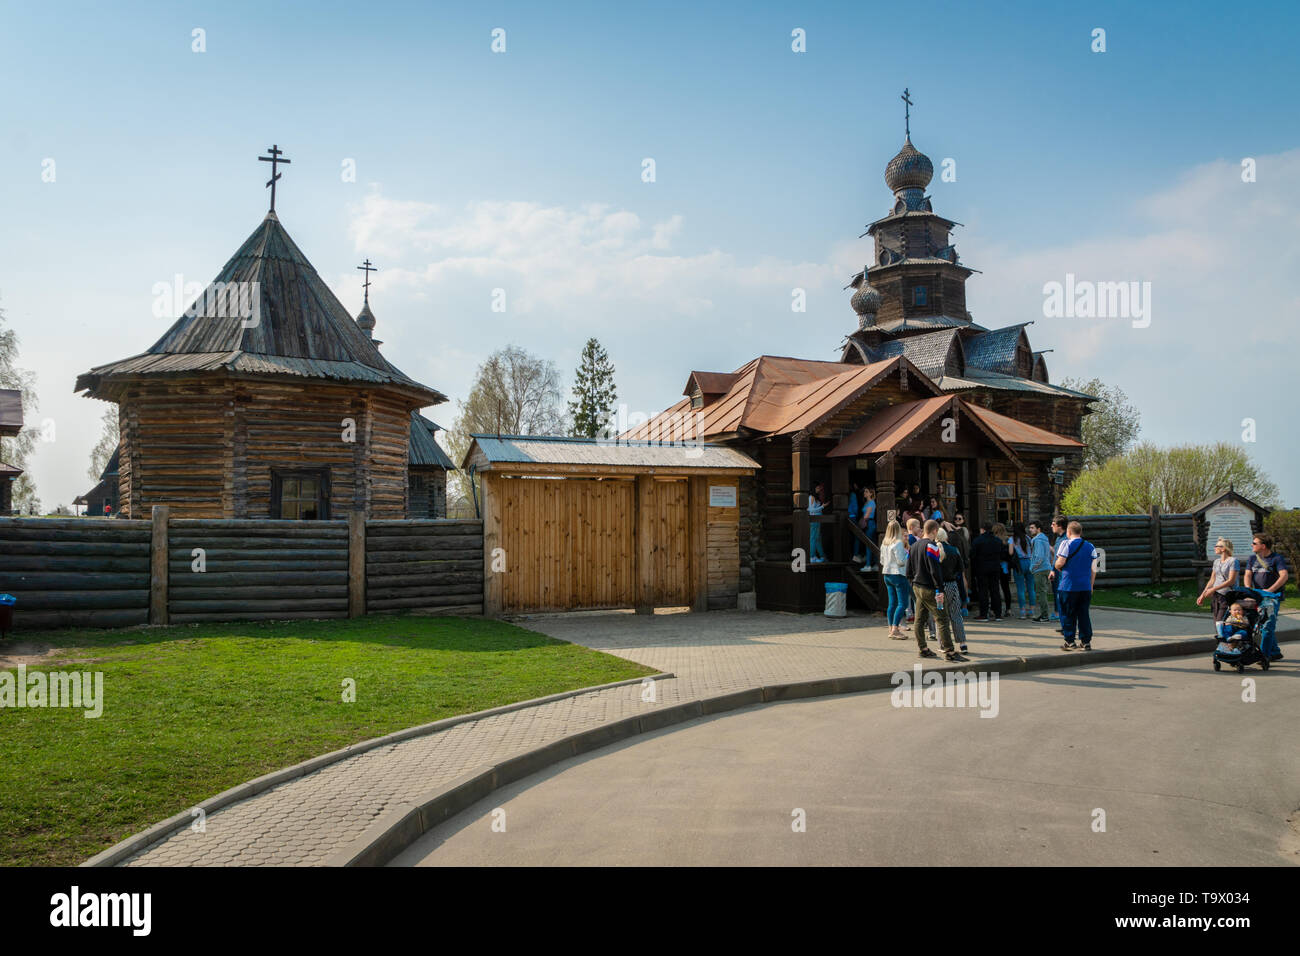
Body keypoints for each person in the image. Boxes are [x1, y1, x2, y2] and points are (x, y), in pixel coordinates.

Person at [907, 519, 965, 661]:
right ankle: (949, 652)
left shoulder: (913, 546)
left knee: (919, 620)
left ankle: (923, 648)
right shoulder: (931, 546)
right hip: (930, 588)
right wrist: (939, 589)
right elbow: (935, 570)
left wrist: (914, 582)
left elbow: (908, 570)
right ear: (934, 531)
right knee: (942, 619)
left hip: (917, 586)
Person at [1052, 519, 1098, 651]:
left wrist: (1056, 565)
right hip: (1085, 586)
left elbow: (1060, 563)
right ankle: (1086, 641)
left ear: (1069, 532)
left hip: (1068, 586)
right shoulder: (1090, 546)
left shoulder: (1065, 544)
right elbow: (1093, 569)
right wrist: (1091, 585)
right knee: (1083, 614)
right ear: (1080, 532)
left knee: (1067, 613)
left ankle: (1070, 641)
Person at [1244, 533, 1290, 661]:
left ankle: (1263, 655)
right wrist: (1248, 590)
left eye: (1254, 543)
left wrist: (1270, 590)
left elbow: (1284, 576)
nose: (1252, 545)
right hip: (1256, 597)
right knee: (1260, 624)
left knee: (1267, 626)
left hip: (1271, 597)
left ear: (1263, 546)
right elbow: (1247, 575)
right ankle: (1274, 651)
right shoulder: (1252, 558)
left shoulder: (1277, 558)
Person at [935, 527, 969, 653]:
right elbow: (960, 568)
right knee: (956, 615)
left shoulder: (934, 550)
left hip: (939, 588)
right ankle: (962, 643)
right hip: (952, 585)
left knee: (940, 617)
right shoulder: (954, 550)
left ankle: (943, 644)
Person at [1196, 538, 1240, 623]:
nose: (1214, 548)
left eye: (1217, 546)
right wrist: (1202, 595)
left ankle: (1224, 635)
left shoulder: (1233, 561)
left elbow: (1231, 581)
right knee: (1216, 621)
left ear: (1223, 548)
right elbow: (1212, 580)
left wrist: (1213, 589)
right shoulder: (1216, 562)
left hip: (1228, 595)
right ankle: (1221, 635)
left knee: (1221, 621)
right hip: (1217, 596)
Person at [880, 520, 911, 639]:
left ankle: (890, 627)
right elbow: (901, 562)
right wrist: (907, 556)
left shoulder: (884, 543)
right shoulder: (898, 543)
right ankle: (895, 629)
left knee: (892, 603)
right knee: (902, 603)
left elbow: (882, 560)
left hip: (886, 573)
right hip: (898, 574)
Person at [970, 522, 1005, 621]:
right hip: (995, 568)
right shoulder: (997, 541)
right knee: (995, 590)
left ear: (982, 529)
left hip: (981, 568)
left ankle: (984, 614)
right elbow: (1002, 554)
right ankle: (998, 614)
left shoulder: (977, 541)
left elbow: (972, 555)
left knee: (983, 591)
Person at [1026, 520, 1053, 622]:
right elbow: (1049, 554)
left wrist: (1033, 567)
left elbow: (1039, 556)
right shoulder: (1045, 539)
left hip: (1040, 569)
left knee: (1041, 593)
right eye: (1030, 528)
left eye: (1032, 528)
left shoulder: (1037, 540)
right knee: (1043, 592)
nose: (1030, 530)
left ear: (1038, 529)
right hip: (1046, 568)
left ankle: (1044, 616)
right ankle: (1044, 614)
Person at [1009, 521, 1035, 618]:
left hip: (1019, 563)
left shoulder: (1012, 539)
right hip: (1029, 562)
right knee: (1031, 588)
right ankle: (1032, 610)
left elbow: (1010, 552)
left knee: (1020, 588)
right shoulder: (1028, 538)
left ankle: (1022, 611)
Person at [1049, 515, 1068, 625]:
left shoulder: (1066, 539)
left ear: (1060, 526)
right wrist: (1052, 570)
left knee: (1063, 597)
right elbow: (1056, 556)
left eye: (1053, 524)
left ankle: (1066, 623)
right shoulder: (1059, 538)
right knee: (1058, 595)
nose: (1051, 526)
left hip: (1063, 572)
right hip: (1056, 571)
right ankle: (1061, 619)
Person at [991, 522, 1014, 612]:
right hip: (1005, 566)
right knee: (1006, 588)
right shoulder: (1007, 540)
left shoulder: (993, 540)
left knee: (994, 588)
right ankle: (1008, 608)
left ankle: (994, 608)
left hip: (995, 565)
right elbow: (1010, 554)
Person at [808, 490, 826, 563]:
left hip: (818, 520)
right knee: (813, 538)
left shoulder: (817, 498)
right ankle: (812, 556)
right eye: (818, 487)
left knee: (818, 539)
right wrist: (822, 507)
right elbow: (810, 510)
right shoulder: (811, 497)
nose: (820, 489)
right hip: (814, 520)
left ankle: (821, 556)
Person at [861, 488, 877, 569]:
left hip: (869, 523)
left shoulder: (871, 502)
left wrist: (861, 522)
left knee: (869, 544)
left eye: (866, 491)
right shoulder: (866, 502)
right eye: (864, 491)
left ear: (871, 494)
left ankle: (868, 565)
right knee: (872, 543)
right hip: (868, 523)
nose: (864, 493)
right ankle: (874, 564)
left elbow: (866, 516)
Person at [848, 484, 862, 563]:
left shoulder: (848, 495)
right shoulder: (853, 494)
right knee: (857, 537)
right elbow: (855, 507)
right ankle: (855, 554)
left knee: (849, 537)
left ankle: (851, 555)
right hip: (853, 517)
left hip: (847, 516)